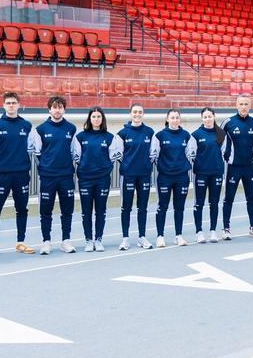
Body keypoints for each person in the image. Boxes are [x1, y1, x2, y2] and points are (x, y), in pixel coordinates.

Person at [0, 92, 36, 257]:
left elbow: (31, 150)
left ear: (19, 105)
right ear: (4, 105)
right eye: (8, 103)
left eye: (14, 103)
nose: (11, 105)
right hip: (2, 175)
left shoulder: (27, 126)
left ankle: (21, 241)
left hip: (21, 175)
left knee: (22, 209)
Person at [27, 95, 78, 255]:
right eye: (54, 107)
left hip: (66, 176)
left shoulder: (71, 128)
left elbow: (74, 152)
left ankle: (66, 240)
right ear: (49, 109)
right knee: (46, 210)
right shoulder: (40, 129)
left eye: (60, 107)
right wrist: (46, 168)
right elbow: (38, 154)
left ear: (64, 109)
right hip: (48, 177)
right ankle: (46, 241)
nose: (57, 110)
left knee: (67, 210)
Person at [73, 106, 123, 252]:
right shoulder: (80, 137)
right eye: (93, 116)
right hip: (85, 179)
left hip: (102, 179)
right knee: (86, 211)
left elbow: (113, 157)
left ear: (102, 119)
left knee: (100, 210)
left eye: (99, 117)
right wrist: (84, 169)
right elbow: (76, 157)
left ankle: (99, 239)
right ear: (90, 119)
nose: (96, 119)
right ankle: (89, 240)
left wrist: (104, 169)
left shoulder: (109, 137)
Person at [222, 94, 253, 239]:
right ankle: (226, 228)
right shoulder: (228, 122)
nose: (244, 107)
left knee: (251, 197)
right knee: (229, 198)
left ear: (250, 106)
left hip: (249, 167)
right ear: (236, 105)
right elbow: (219, 141)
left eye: (246, 104)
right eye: (241, 104)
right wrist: (227, 158)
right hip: (233, 167)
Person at [153, 109, 194, 247]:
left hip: (182, 176)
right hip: (165, 177)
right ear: (167, 119)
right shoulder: (159, 136)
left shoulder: (186, 135)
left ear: (180, 119)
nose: (175, 120)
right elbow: (154, 156)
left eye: (177, 117)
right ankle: (160, 236)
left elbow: (190, 154)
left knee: (179, 207)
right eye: (172, 117)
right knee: (162, 206)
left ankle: (179, 235)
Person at [117, 104, 156, 250]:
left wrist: (145, 165)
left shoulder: (149, 132)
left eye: (140, 112)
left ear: (143, 114)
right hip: (128, 175)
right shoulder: (122, 133)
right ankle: (125, 238)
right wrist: (128, 166)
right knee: (126, 207)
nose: (137, 114)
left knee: (143, 207)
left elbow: (153, 154)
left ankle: (142, 237)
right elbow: (119, 155)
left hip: (144, 175)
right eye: (135, 112)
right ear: (130, 114)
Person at [192, 108, 231, 243]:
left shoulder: (221, 134)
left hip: (216, 173)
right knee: (199, 203)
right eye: (205, 117)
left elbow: (225, 152)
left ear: (214, 117)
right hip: (201, 173)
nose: (208, 119)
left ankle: (213, 231)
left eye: (210, 116)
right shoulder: (196, 134)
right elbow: (192, 154)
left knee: (214, 203)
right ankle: (199, 232)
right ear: (202, 119)